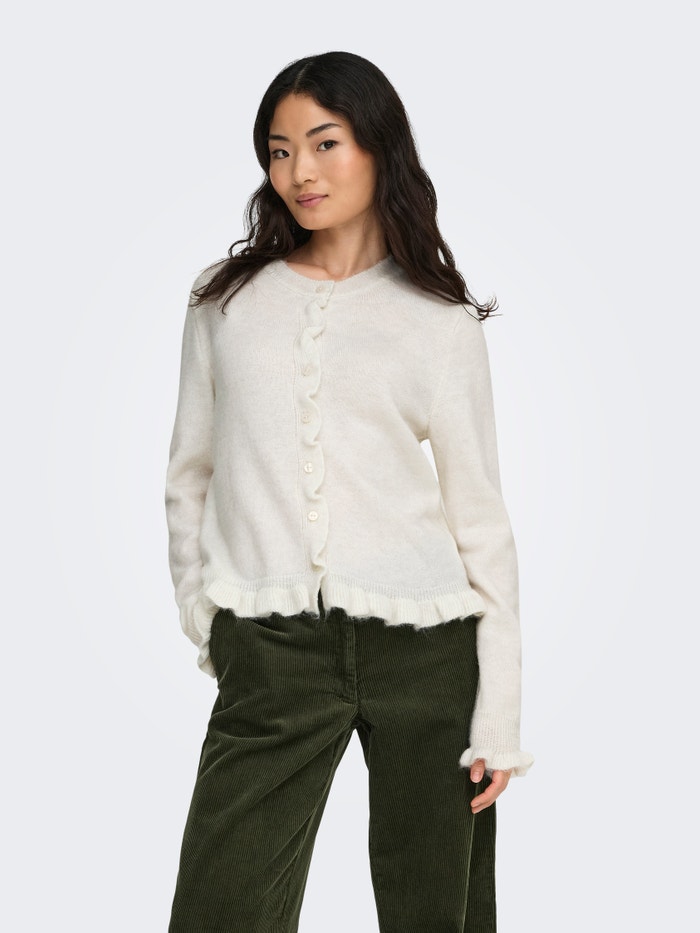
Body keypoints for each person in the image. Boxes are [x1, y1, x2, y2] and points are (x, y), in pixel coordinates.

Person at [165, 50, 533, 933]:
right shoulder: (226, 303)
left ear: (377, 146)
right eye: (279, 149)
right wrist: (209, 618)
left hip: (428, 650)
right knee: (220, 906)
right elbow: (188, 476)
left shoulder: (439, 321)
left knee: (436, 911)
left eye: (324, 143)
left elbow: (480, 519)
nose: (300, 170)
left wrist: (499, 713)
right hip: (272, 646)